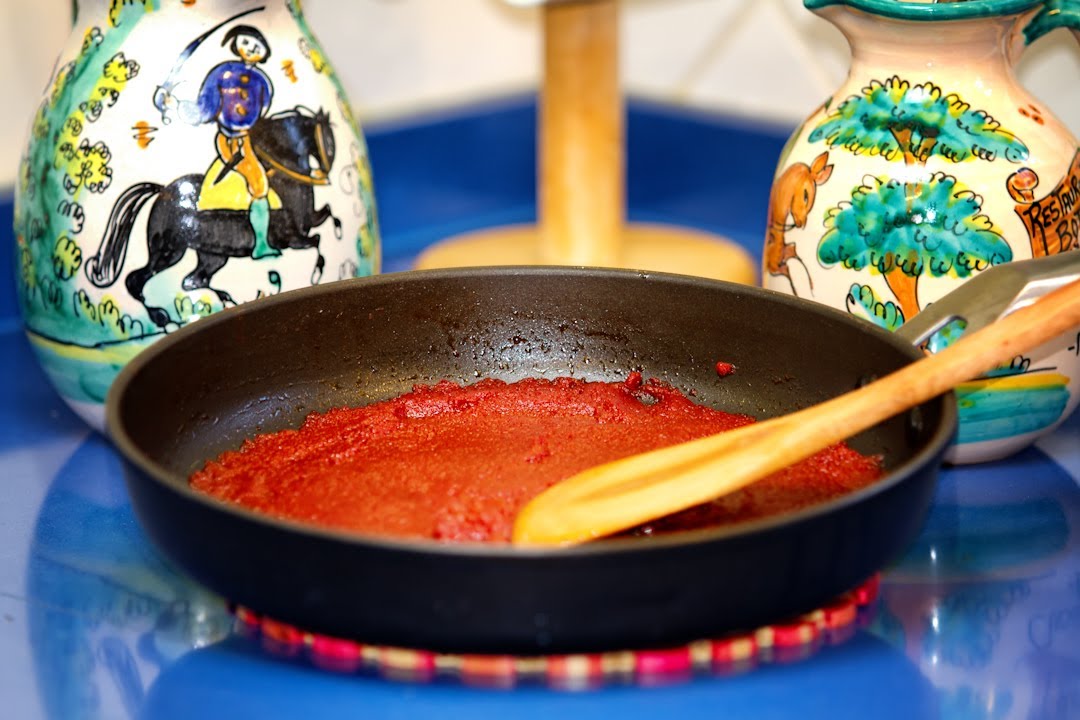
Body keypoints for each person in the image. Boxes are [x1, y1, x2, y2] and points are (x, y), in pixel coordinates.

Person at [162, 25, 278, 258]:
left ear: (263, 54)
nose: (249, 49)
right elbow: (205, 108)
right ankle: (261, 245)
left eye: (256, 47)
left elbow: (263, 112)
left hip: (250, 138)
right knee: (259, 183)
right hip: (229, 139)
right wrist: (176, 105)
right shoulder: (222, 74)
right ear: (236, 44)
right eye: (245, 43)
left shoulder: (262, 81)